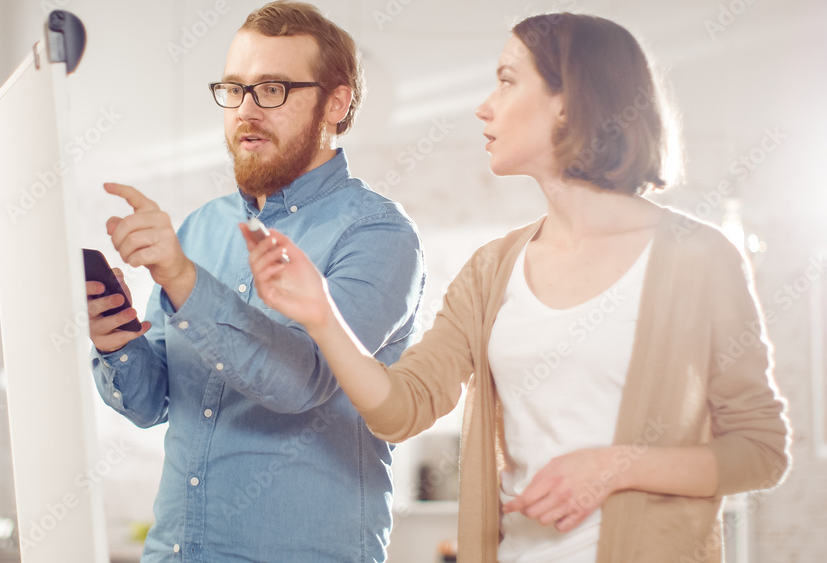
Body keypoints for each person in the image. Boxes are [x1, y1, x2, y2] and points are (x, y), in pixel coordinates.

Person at [247, 12, 791, 563]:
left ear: (568, 99)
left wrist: (615, 467)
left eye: (507, 80)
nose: (485, 105)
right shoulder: (492, 270)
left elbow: (761, 451)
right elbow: (401, 408)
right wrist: (321, 314)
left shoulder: (698, 259)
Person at [86, 2, 425, 561]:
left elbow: (304, 382)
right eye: (235, 89)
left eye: (272, 89)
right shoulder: (200, 228)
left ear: (335, 104)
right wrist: (115, 341)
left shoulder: (379, 235)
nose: (246, 109)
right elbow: (151, 402)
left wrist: (182, 278)